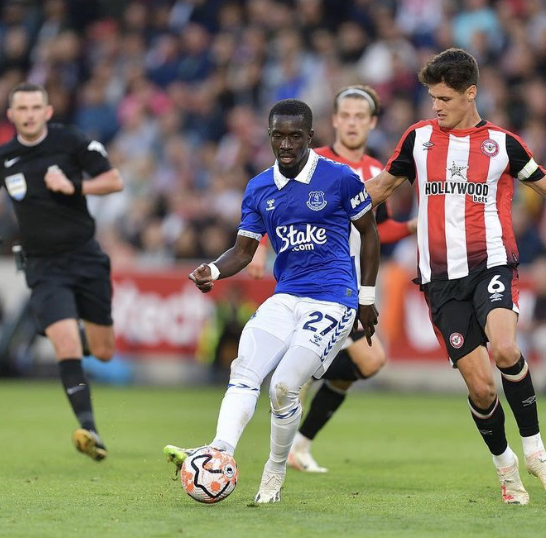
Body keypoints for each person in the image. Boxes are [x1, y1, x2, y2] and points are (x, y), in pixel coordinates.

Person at [164, 98, 380, 503]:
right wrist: (213, 270)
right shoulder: (259, 187)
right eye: (278, 136)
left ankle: (275, 471)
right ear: (269, 136)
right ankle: (219, 452)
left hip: (333, 299)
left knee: (283, 387)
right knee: (244, 369)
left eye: (294, 136)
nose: (286, 144)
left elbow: (369, 233)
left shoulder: (340, 178)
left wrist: (366, 298)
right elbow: (243, 251)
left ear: (310, 137)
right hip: (286, 297)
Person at [366, 48, 546, 505]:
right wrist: (322, 204)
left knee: (505, 348)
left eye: (444, 98)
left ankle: (535, 451)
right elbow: (379, 190)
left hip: (492, 264)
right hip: (441, 281)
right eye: (432, 97)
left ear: (471, 93)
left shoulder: (503, 145)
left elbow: (542, 182)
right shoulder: (418, 139)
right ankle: (506, 468)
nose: (436, 106)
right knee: (481, 389)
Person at [248, 85, 418, 473]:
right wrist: (259, 246)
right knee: (368, 360)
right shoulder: (311, 161)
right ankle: (290, 447)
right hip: (318, 285)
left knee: (366, 364)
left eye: (361, 116)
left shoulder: (378, 172)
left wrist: (411, 227)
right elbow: (274, 203)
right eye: (346, 115)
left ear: (372, 123)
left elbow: (377, 229)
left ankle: (299, 440)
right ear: (335, 121)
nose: (353, 123)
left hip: (352, 284)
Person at [0, 83, 123, 461]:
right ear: (11, 114)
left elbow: (114, 181)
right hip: (42, 265)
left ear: (48, 111)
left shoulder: (70, 141)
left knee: (102, 351)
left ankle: (61, 326)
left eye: (35, 107)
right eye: (22, 108)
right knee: (66, 345)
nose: (29, 114)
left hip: (85, 258)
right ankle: (90, 430)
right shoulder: (6, 156)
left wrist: (74, 186)